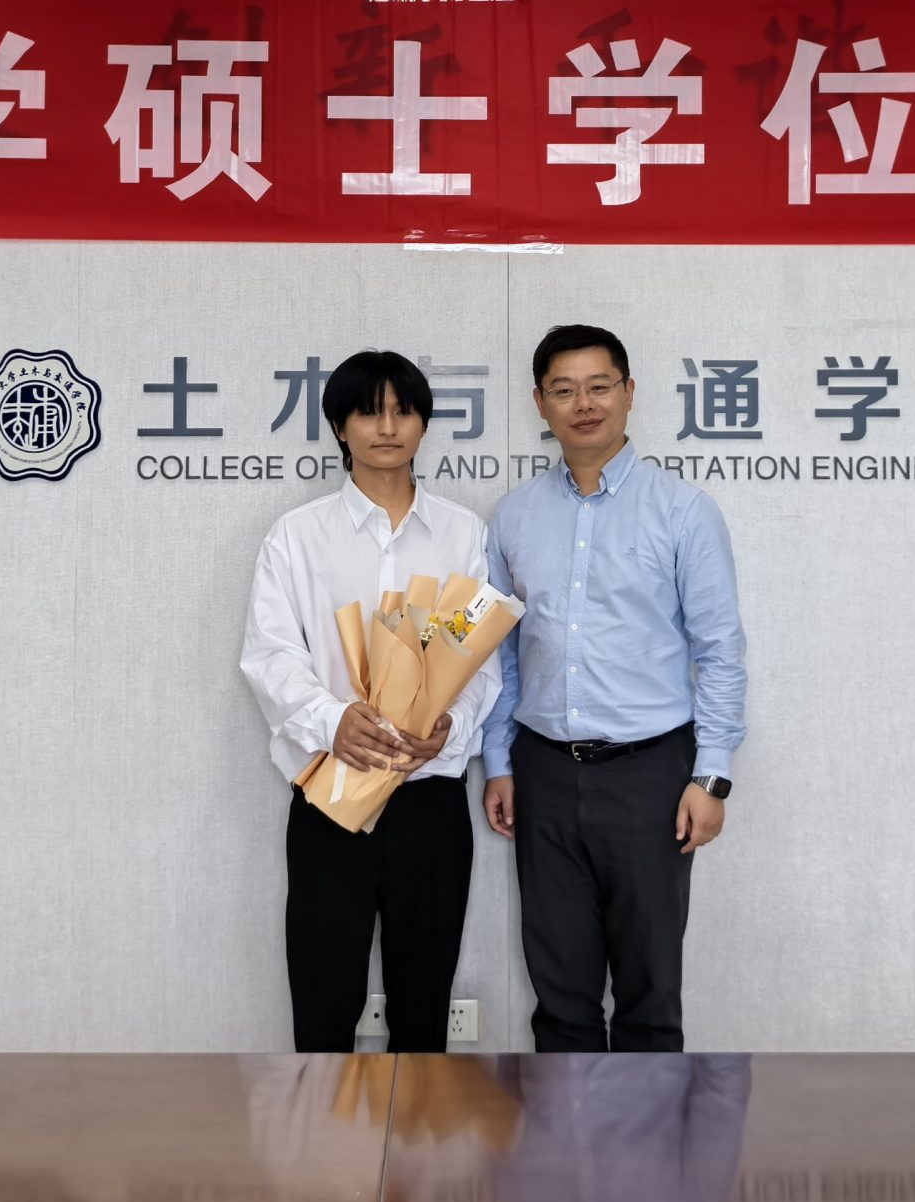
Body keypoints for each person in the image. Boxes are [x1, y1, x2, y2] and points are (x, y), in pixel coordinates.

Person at [480, 324, 748, 1052]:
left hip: (651, 775)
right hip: (542, 772)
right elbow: (500, 653)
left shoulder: (682, 510)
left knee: (648, 991)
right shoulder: (515, 516)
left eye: (599, 387)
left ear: (629, 393)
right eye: (564, 390)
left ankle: (646, 1129)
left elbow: (720, 651)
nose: (584, 404)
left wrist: (711, 777)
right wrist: (499, 761)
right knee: (559, 993)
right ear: (539, 402)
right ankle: (568, 1128)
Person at [241, 350, 497, 1053]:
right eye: (369, 412)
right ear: (339, 426)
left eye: (403, 411)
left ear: (424, 424)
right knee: (323, 1000)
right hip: (332, 791)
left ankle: (418, 1128)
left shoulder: (463, 535)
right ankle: (322, 1129)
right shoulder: (297, 536)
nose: (388, 427)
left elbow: (481, 656)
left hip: (430, 794)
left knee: (424, 1004)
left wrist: (449, 725)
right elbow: (270, 655)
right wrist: (333, 721)